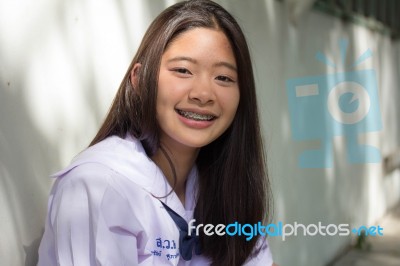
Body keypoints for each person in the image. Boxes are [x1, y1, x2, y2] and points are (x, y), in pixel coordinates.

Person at [38, 0, 274, 265]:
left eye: (223, 78)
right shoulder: (100, 186)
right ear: (139, 80)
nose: (204, 94)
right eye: (183, 70)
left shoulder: (225, 183)